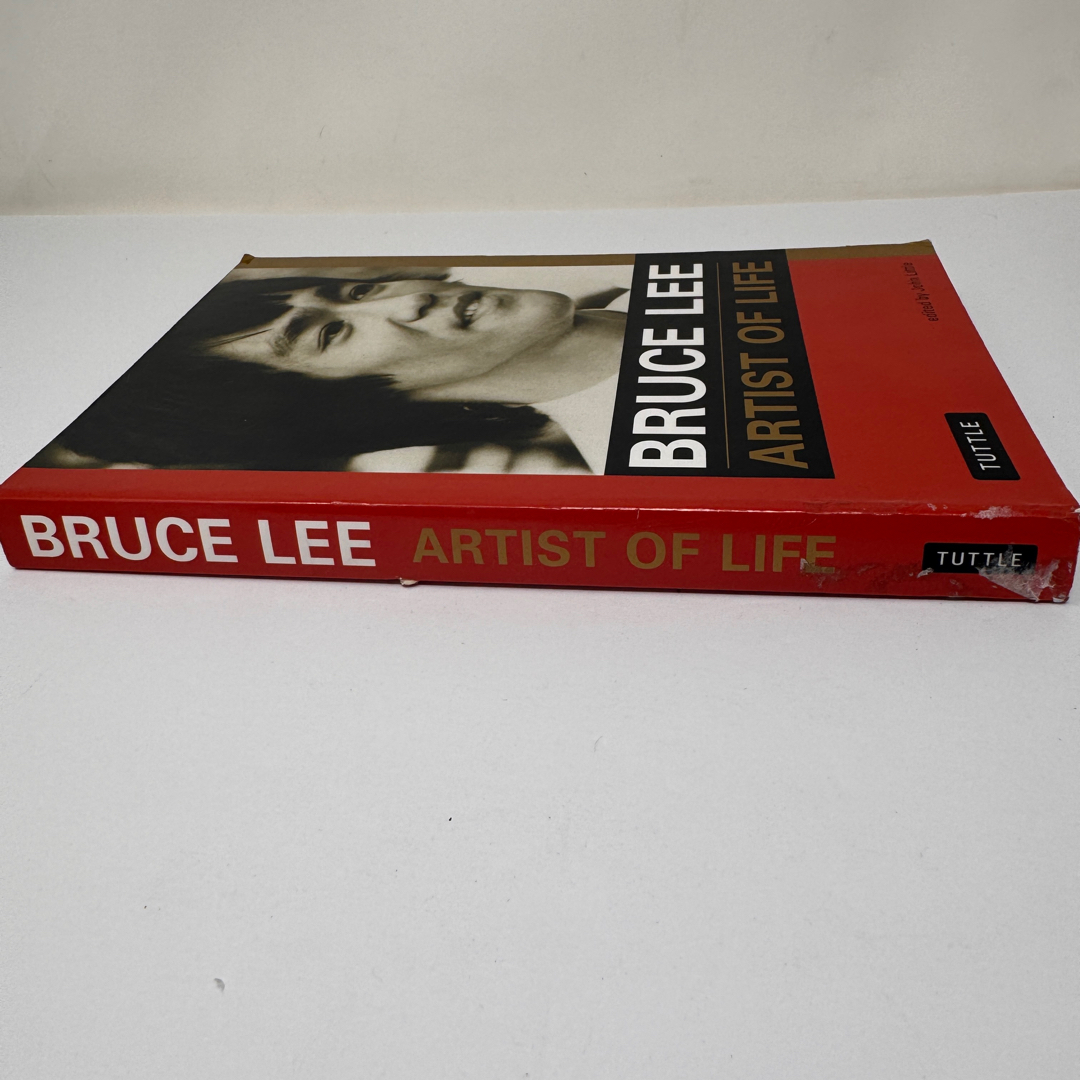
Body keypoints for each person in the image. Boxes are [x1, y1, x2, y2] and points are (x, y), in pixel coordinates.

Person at [32, 268, 628, 473]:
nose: (407, 300)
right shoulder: (631, 458)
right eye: (329, 334)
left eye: (355, 291)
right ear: (343, 411)